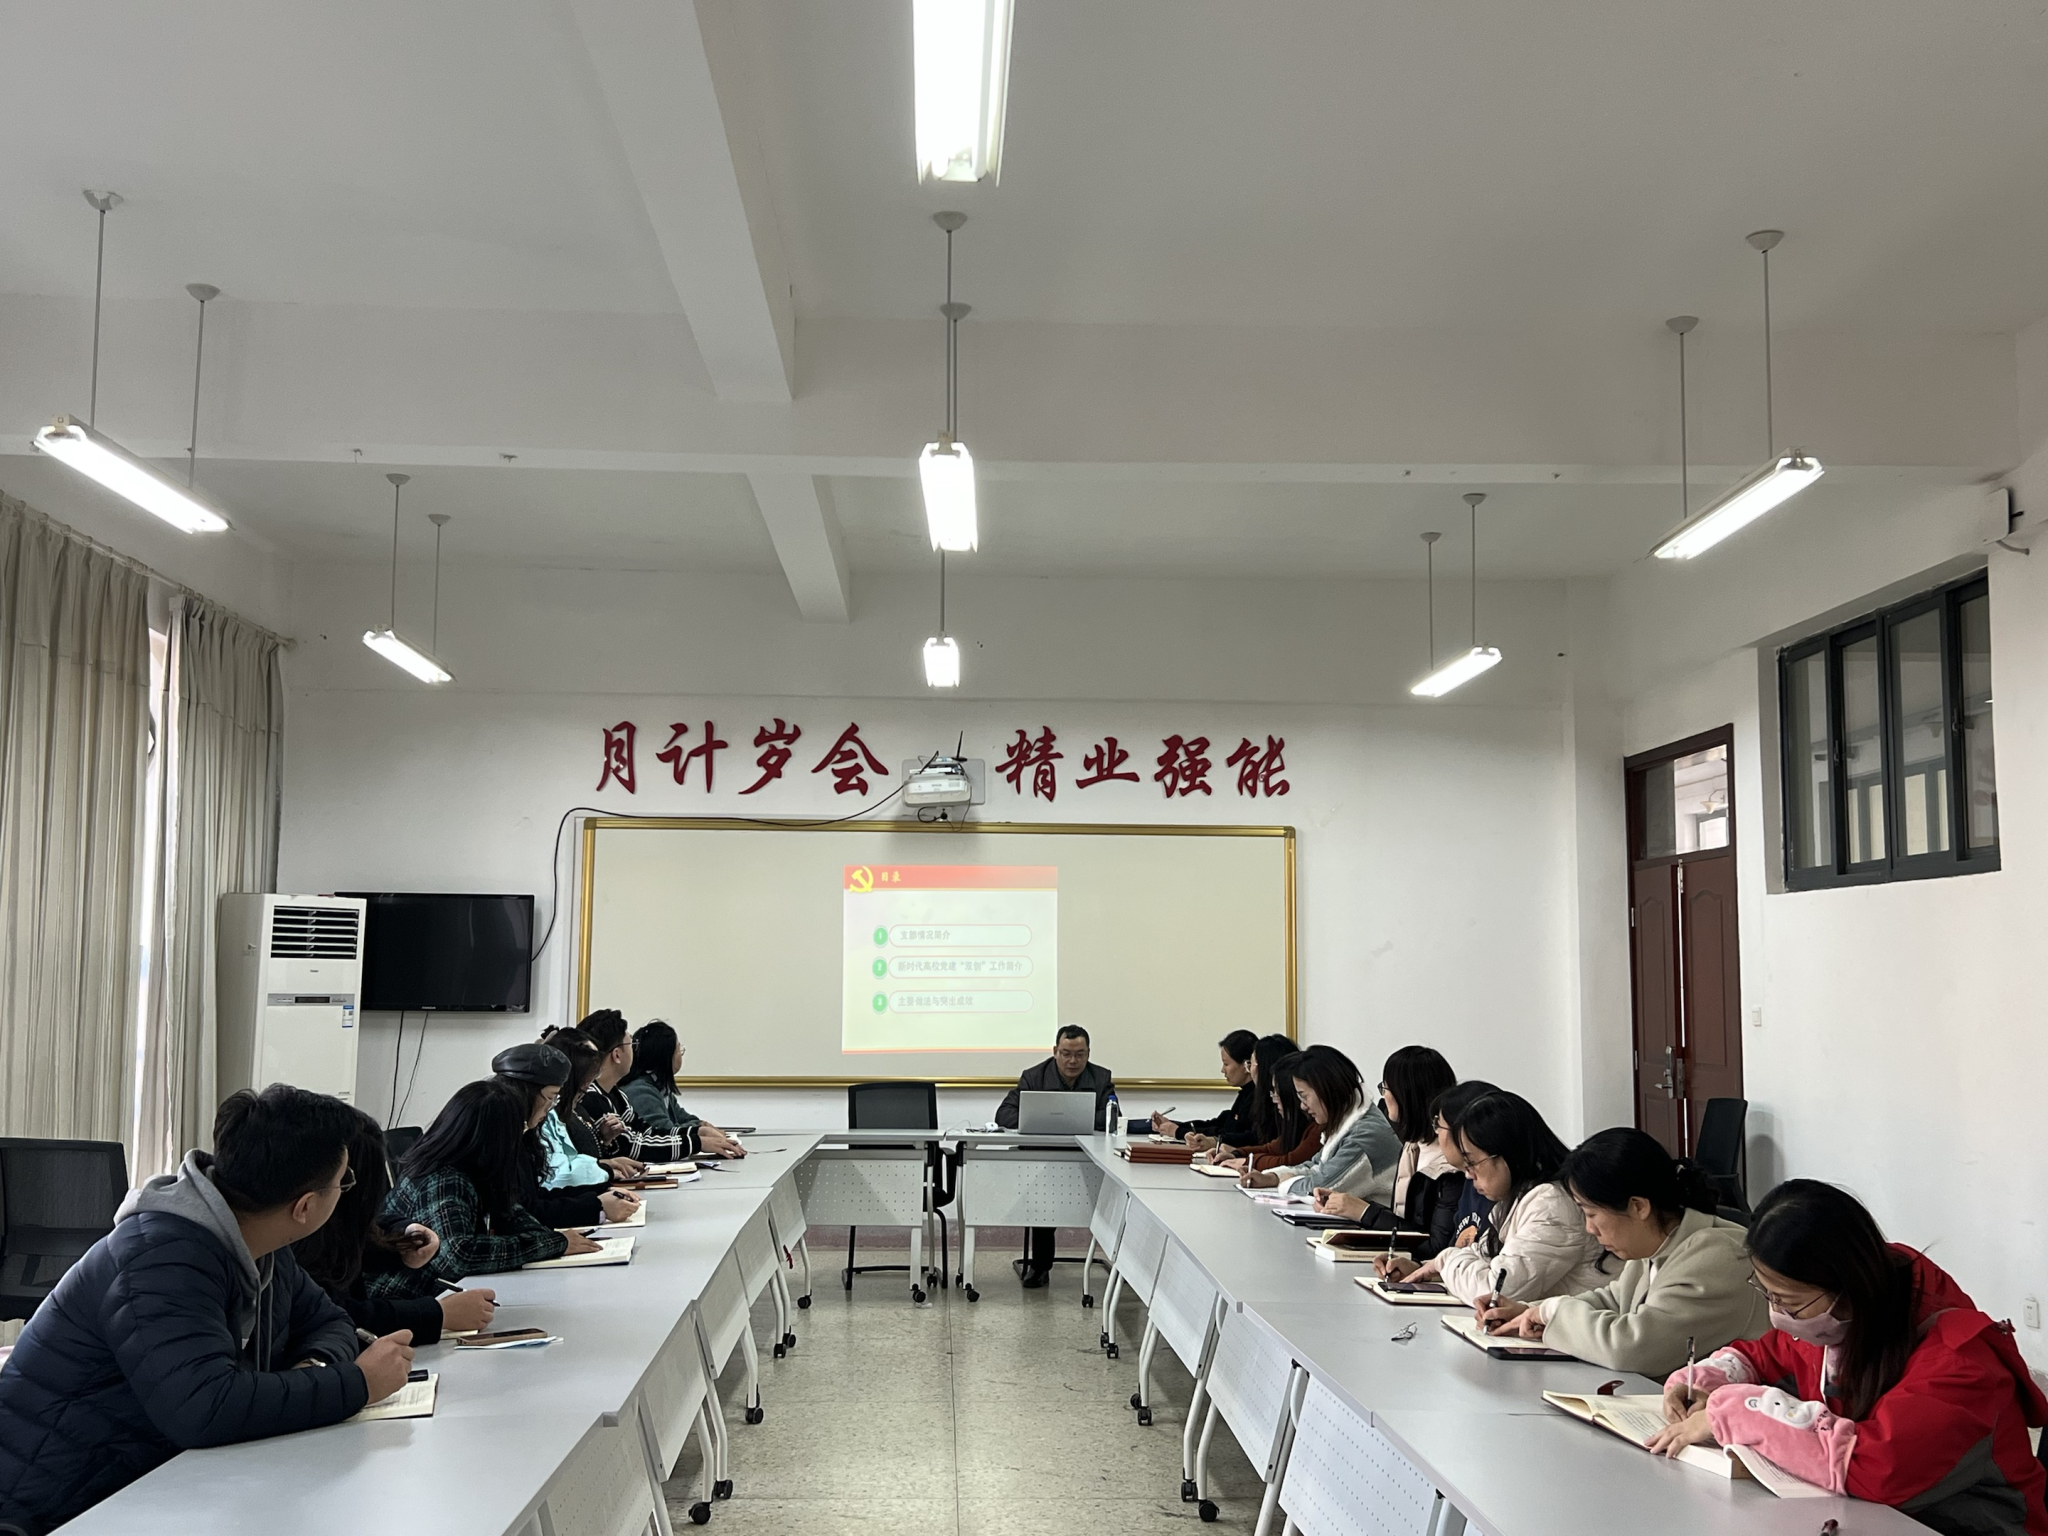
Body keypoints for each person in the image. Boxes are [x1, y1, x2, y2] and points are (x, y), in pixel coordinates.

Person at [0, 1085, 415, 1535]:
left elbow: (330, 1320)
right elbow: (204, 1408)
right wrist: (357, 1383)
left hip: (154, 1481)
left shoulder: (262, 1241)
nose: (345, 1191)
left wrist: (313, 1367)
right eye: (343, 1182)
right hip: (52, 1508)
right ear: (306, 1207)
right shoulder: (160, 1257)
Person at [1649, 1182, 2048, 1531]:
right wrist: (1705, 1380)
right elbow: (1767, 1354)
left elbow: (1876, 1467)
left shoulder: (1961, 1363)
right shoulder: (1834, 1321)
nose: (1778, 1314)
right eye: (1768, 1294)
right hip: (1866, 1517)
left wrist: (1737, 1413)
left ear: (1848, 1288)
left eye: (1788, 1301)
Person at [1476, 1127, 1766, 1374]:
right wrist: (1529, 1311)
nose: (1589, 1228)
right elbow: (1613, 1300)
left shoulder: (1717, 1256)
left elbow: (1630, 1348)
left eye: (1591, 1213)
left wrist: (1553, 1311)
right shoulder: (1657, 1243)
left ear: (1638, 1206)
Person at [1374, 1088, 1606, 1310]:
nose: (1468, 1174)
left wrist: (1444, 1262)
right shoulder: (1517, 1198)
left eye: (1472, 1162)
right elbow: (1481, 1253)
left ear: (1507, 1154)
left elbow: (1494, 1291)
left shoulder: (1552, 1204)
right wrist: (1424, 1268)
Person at [370, 1080, 598, 1299]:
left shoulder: (479, 1172)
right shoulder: (443, 1178)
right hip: (405, 1301)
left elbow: (516, 1218)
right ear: (496, 1138)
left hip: (442, 1295)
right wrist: (554, 1243)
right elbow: (457, 1255)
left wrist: (550, 1240)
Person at [293, 1106, 499, 1345]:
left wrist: (402, 1236)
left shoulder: (333, 1222)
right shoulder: (302, 1241)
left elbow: (368, 1226)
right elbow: (334, 1316)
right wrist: (439, 1313)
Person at [994, 1024, 1116, 1287]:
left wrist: (1070, 1120)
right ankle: (1040, 1266)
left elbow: (1112, 1118)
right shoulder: (1033, 1077)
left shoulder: (1101, 1077)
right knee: (1044, 1197)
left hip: (1087, 1160)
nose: (1073, 1061)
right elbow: (1003, 1114)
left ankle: (1124, 1269)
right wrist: (1041, 1119)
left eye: (1080, 1054)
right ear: (1055, 1051)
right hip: (1044, 1160)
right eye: (1066, 1054)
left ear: (1088, 1053)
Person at [1311, 1046, 1459, 1242]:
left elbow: (1434, 1244)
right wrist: (1348, 1205)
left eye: (1385, 1087)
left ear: (1406, 1094)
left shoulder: (1451, 1162)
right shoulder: (1412, 1146)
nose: (1383, 1095)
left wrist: (1364, 1211)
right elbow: (1402, 1220)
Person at [491, 1042, 640, 1230]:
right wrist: (596, 1206)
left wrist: (600, 1192)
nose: (551, 1107)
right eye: (550, 1097)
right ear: (526, 1094)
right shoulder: (499, 1140)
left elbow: (537, 1195)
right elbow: (522, 1212)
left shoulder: (523, 1135)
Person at [1236, 1044, 1400, 1204]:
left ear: (1325, 1090)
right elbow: (1316, 1166)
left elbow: (1323, 1188)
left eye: (1304, 1096)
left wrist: (1286, 1183)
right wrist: (1273, 1178)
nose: (1303, 1106)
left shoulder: (1364, 1135)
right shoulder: (1346, 1122)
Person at [577, 1010, 743, 1161]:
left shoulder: (616, 1095)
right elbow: (634, 1146)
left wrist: (697, 1132)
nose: (635, 1052)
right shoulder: (591, 1097)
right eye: (631, 1045)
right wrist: (697, 1143)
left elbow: (647, 1132)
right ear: (617, 1055)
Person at [545, 1025, 645, 1180]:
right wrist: (605, 1168)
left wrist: (605, 1141)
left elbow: (585, 1156)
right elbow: (558, 1173)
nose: (590, 1083)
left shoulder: (575, 1107)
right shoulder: (550, 1113)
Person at [1212, 1041, 1318, 1172]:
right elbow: (1272, 1148)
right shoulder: (1293, 1119)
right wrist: (1236, 1154)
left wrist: (1246, 1161)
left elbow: (1291, 1160)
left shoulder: (1316, 1125)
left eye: (1251, 1064)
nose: (1303, 1105)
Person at [1152, 1029, 1261, 1150]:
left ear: (1247, 1065)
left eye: (1226, 1064)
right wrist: (1174, 1126)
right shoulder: (1245, 1093)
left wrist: (1179, 1131)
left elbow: (1233, 1133)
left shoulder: (1257, 1097)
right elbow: (1215, 1124)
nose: (1222, 1070)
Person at [621, 1021, 711, 1148]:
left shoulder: (660, 1086)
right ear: (666, 1057)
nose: (681, 1054)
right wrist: (700, 1128)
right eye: (678, 1050)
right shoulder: (640, 1091)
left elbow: (684, 1118)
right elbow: (666, 1132)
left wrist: (700, 1124)